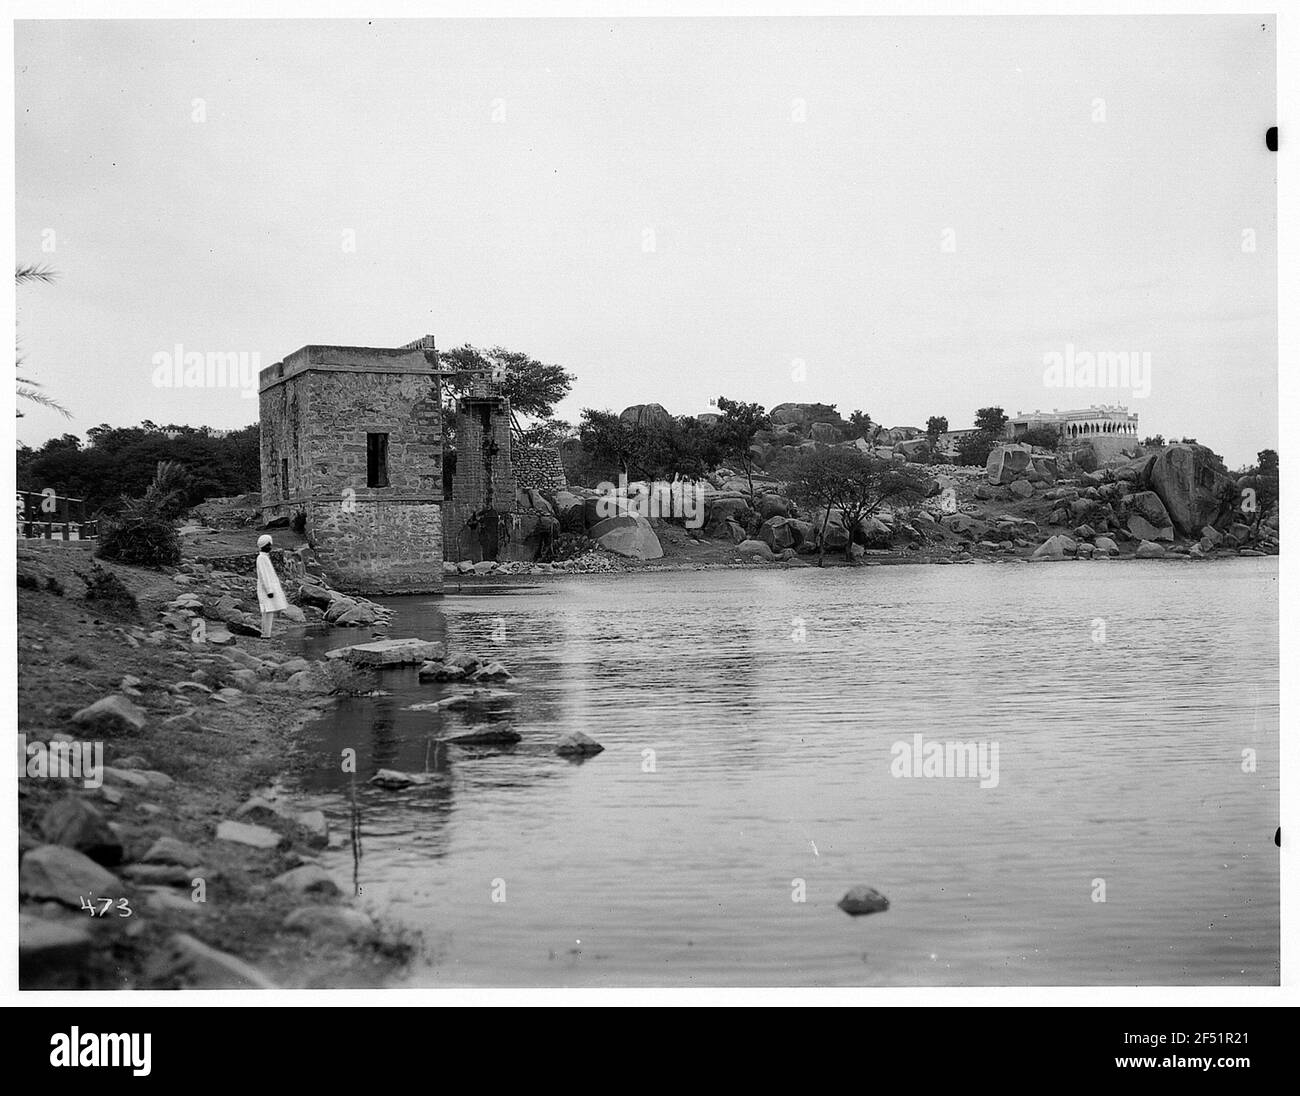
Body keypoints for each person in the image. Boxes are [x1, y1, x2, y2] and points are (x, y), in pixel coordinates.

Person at [255, 533, 288, 637]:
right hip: (266, 589)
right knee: (267, 611)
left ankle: (266, 633)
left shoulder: (265, 557)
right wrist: (269, 590)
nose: (270, 547)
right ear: (263, 546)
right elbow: (264, 576)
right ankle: (265, 634)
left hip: (269, 588)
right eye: (268, 545)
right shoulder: (261, 558)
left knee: (269, 611)